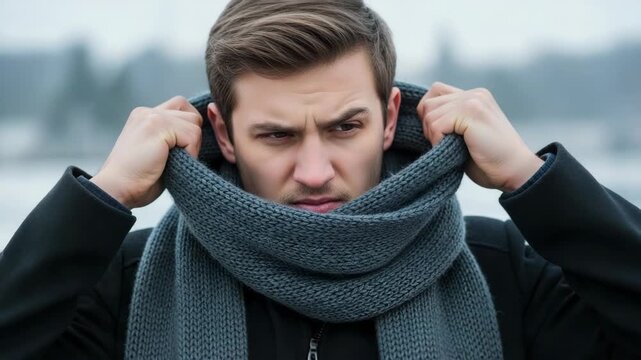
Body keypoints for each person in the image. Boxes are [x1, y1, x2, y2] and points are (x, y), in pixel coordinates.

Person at [1, 0, 640, 359]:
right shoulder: (131, 283)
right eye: (276, 135)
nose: (314, 172)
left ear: (391, 117)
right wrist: (101, 199)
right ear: (222, 134)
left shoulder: (500, 269)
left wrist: (535, 181)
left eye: (343, 128)